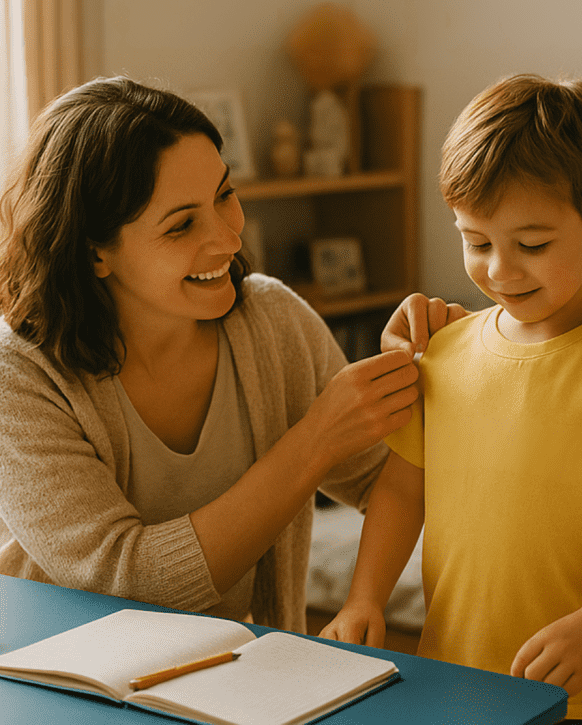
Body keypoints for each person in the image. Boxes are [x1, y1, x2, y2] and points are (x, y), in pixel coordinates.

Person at [0, 75, 461, 632]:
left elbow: (385, 482)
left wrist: (457, 375)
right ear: (96, 252)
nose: (228, 238)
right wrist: (314, 440)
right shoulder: (19, 376)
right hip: (61, 674)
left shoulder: (274, 320)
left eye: (225, 194)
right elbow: (126, 583)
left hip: (229, 671)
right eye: (182, 225)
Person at [320, 73, 582, 723]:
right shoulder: (446, 351)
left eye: (532, 245)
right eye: (476, 241)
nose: (499, 269)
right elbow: (403, 490)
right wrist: (364, 596)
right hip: (453, 687)